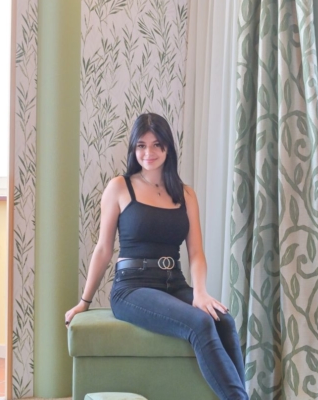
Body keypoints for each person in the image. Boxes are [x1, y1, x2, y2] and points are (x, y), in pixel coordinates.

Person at [65, 113, 248, 400]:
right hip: (132, 288)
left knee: (224, 321)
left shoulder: (186, 195)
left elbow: (196, 253)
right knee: (199, 323)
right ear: (133, 148)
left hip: (174, 283)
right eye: (141, 145)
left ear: (168, 148)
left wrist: (200, 293)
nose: (148, 153)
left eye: (156, 145)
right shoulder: (119, 187)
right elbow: (103, 249)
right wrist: (83, 302)